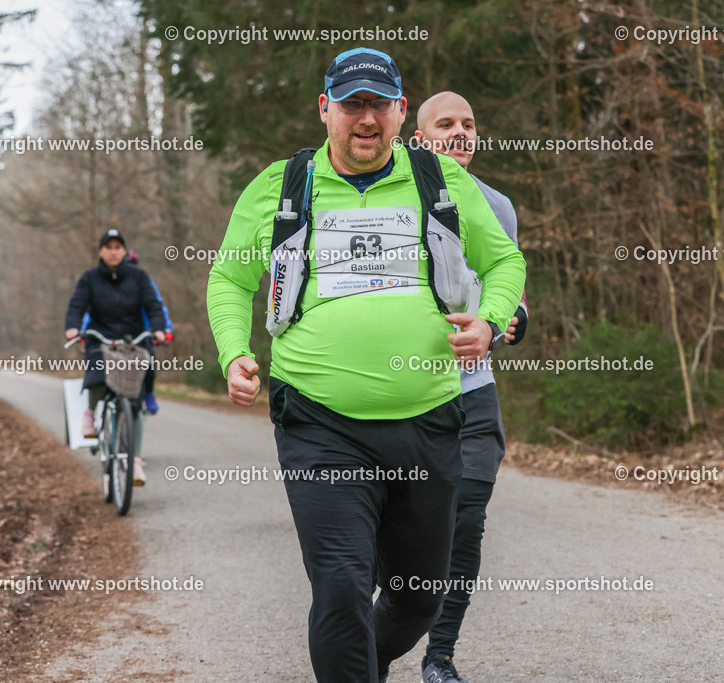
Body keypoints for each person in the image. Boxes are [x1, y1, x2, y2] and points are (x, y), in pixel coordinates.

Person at [206, 48, 525, 683]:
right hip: (319, 421)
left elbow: (504, 263)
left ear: (401, 112)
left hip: (430, 417)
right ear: (325, 109)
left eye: (379, 104)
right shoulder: (281, 185)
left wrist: (488, 319)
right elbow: (231, 279)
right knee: (342, 584)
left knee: (417, 596)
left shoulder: (441, 182)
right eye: (352, 104)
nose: (366, 118)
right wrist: (234, 352)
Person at [414, 91, 529, 683]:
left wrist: (510, 322)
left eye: (469, 122)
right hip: (404, 395)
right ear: (419, 137)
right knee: (407, 533)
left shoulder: (498, 207)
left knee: (468, 520)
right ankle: (378, 637)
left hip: (472, 389)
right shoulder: (396, 198)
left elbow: (509, 290)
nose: (460, 132)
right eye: (446, 124)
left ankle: (441, 656)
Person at [65, 229, 165, 485]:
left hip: (132, 340)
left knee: (135, 403)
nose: (113, 251)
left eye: (118, 247)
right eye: (108, 247)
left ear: (124, 251)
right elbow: (77, 305)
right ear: (101, 251)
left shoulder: (139, 276)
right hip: (101, 338)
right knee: (98, 372)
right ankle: (90, 414)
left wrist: (158, 329)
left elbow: (153, 305)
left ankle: (134, 462)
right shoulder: (89, 279)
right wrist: (73, 327)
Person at [80, 250, 173, 414]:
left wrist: (165, 329)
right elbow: (92, 312)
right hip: (112, 335)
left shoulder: (144, 282)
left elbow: (158, 307)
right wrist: (84, 333)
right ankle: (95, 411)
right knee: (100, 367)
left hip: (141, 332)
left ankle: (149, 394)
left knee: (148, 362)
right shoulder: (104, 284)